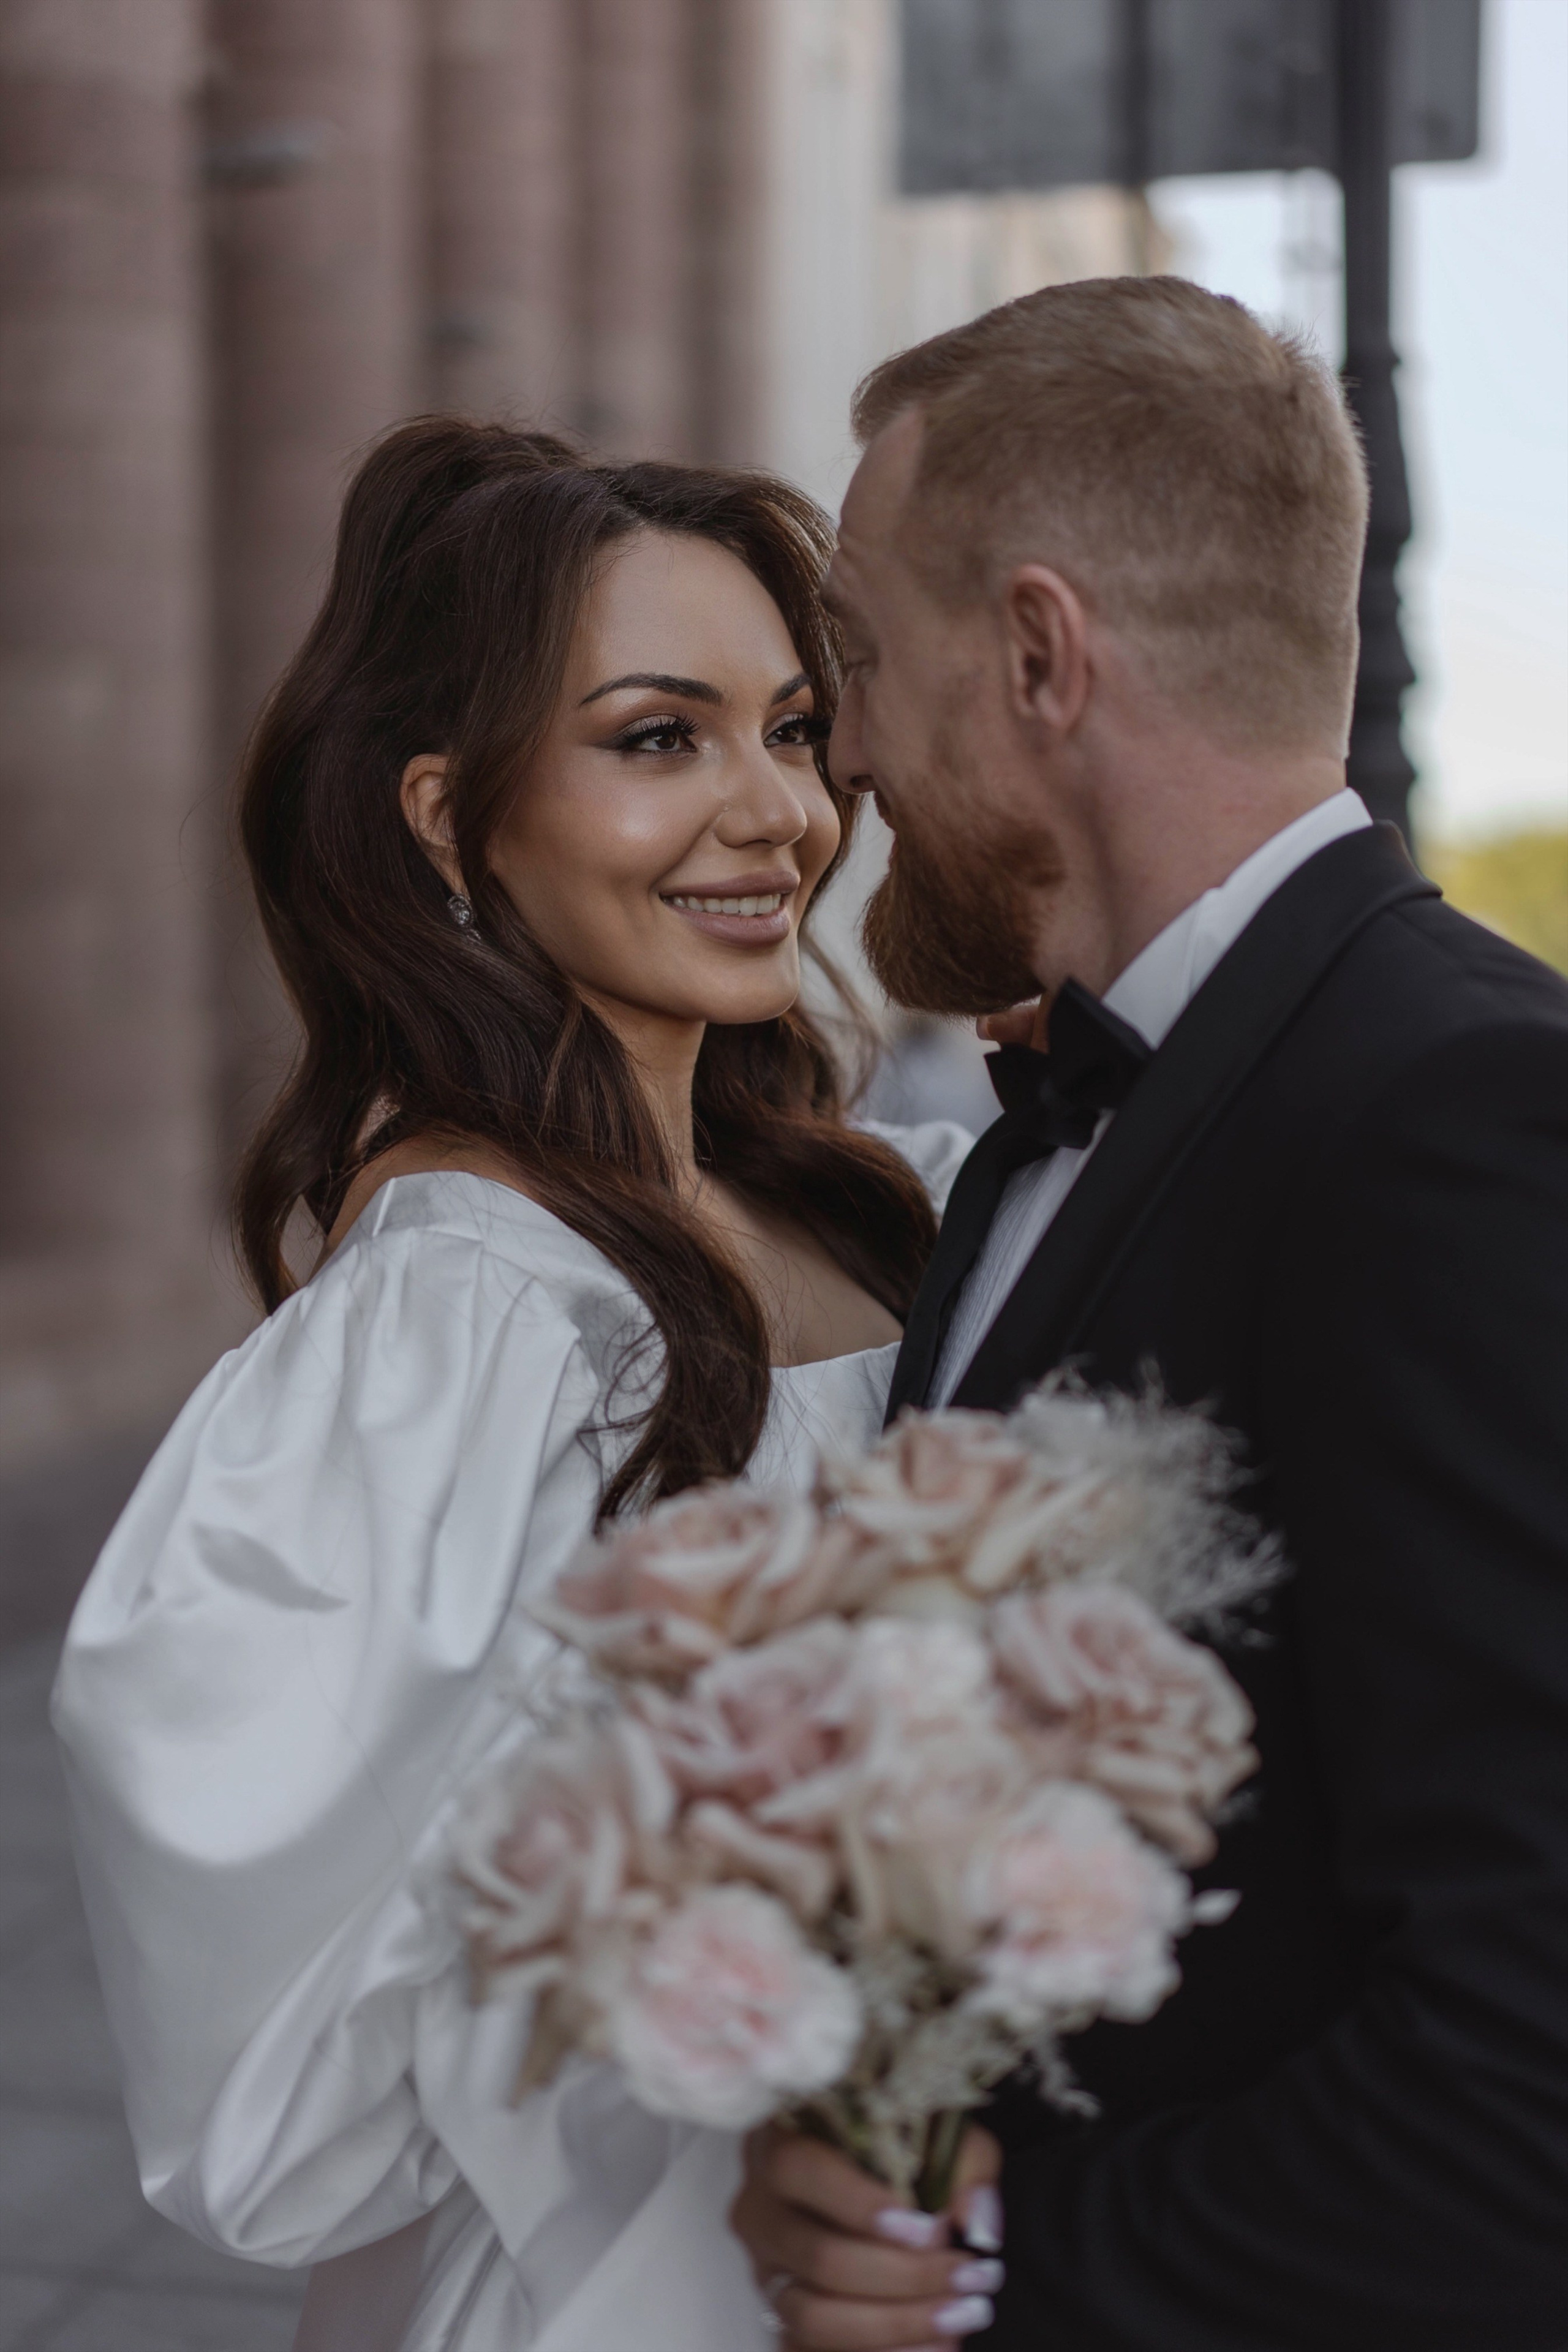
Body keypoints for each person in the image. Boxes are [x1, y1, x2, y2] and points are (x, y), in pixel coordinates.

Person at [51, 419, 978, 2352]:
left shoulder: (863, 1195)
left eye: (793, 730)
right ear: (449, 814)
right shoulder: (459, 1313)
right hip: (612, 2288)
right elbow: (274, 2078)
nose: (776, 814)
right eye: (659, 738)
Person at [731, 275, 1568, 2349]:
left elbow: (1538, 2050)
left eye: (850, 656)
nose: (833, 746)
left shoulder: (1454, 1110)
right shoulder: (1053, 1123)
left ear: (1036, 653)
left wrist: (1004, 2264)